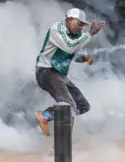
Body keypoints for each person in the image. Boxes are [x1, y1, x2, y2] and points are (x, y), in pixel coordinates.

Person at [34, 8, 105, 136]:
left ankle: (45, 115)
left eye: (83, 25)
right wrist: (90, 34)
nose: (81, 27)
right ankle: (60, 150)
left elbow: (73, 53)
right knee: (69, 107)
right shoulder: (57, 29)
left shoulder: (76, 35)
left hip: (59, 75)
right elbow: (69, 47)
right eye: (79, 23)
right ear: (70, 19)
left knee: (82, 105)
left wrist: (83, 58)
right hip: (46, 72)